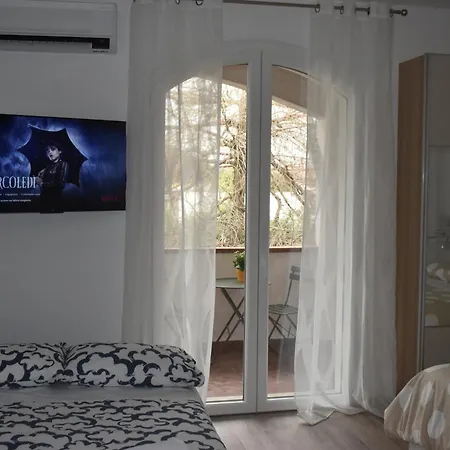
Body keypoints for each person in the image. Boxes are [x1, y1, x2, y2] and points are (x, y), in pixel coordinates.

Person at [36, 144, 69, 213]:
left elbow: (60, 184)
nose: (50, 152)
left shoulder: (63, 164)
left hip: (56, 203)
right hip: (43, 203)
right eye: (47, 151)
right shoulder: (47, 167)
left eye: (53, 149)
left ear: (60, 151)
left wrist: (42, 184)